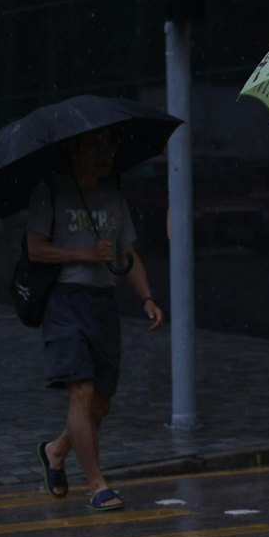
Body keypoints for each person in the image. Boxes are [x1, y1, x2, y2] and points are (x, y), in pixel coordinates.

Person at [30, 129, 162, 511]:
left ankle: (55, 451)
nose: (103, 155)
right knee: (82, 391)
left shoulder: (114, 198)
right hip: (63, 302)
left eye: (108, 147)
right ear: (74, 152)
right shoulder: (51, 192)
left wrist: (147, 298)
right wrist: (86, 254)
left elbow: (129, 252)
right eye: (94, 148)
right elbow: (35, 250)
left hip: (103, 304)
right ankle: (97, 484)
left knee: (100, 404)